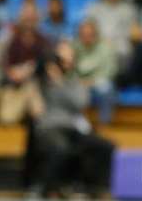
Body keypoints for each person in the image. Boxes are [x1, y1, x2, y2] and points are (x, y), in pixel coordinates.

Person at [33, 41, 115, 198]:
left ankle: (96, 188)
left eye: (69, 59)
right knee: (61, 149)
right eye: (61, 59)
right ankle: (48, 188)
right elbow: (35, 73)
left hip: (73, 128)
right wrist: (49, 73)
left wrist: (60, 82)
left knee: (106, 146)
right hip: (50, 127)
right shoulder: (42, 79)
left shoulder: (74, 81)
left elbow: (80, 102)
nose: (65, 62)